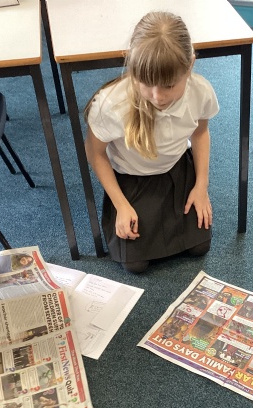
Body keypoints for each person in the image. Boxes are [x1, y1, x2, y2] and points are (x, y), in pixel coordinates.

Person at [84, 11, 219, 273]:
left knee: (199, 247)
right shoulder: (111, 104)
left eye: (168, 86)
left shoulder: (200, 91)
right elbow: (95, 152)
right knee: (135, 265)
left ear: (190, 66)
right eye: (146, 83)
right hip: (131, 178)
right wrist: (120, 204)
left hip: (177, 171)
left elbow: (200, 134)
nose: (157, 96)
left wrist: (201, 185)